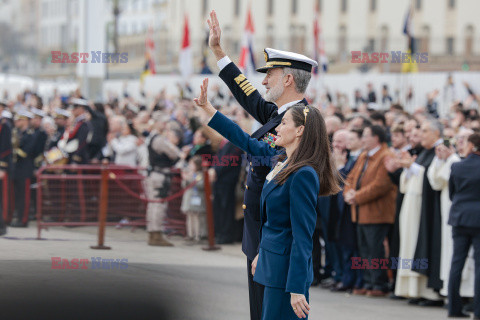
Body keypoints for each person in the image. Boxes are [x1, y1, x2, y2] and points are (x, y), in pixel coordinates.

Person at [194, 78, 340, 320]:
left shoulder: (303, 174)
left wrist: (297, 288)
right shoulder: (280, 158)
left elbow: (302, 237)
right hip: (270, 265)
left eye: (283, 123)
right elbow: (244, 140)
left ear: (300, 131)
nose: (277, 128)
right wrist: (209, 109)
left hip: (285, 276)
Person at [207, 10, 316, 320]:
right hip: (261, 229)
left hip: (275, 233)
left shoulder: (298, 121)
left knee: (271, 311)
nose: (264, 80)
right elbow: (248, 95)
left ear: (289, 79)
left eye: (271, 74)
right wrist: (219, 52)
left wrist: (212, 115)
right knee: (261, 310)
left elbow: (260, 150)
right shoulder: (280, 115)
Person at [344, 125, 397, 297]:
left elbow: (381, 185)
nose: (363, 139)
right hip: (360, 212)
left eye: (366, 136)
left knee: (376, 250)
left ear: (377, 138)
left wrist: (356, 196)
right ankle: (368, 282)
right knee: (364, 249)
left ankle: (379, 284)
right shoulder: (364, 156)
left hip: (378, 212)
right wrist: (348, 192)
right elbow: (351, 177)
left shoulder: (386, 155)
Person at [447, 133, 480, 319]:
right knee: (479, 266)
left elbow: (452, 193)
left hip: (459, 217)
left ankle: (453, 308)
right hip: (478, 219)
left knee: (456, 263)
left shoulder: (457, 166)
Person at [180, 156, 206, 243]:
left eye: (192, 164)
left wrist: (190, 179)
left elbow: (201, 185)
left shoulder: (201, 174)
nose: (190, 166)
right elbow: (184, 185)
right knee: (189, 217)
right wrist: (185, 179)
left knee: (197, 217)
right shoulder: (189, 173)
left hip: (198, 198)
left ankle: (198, 235)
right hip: (189, 199)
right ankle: (190, 234)